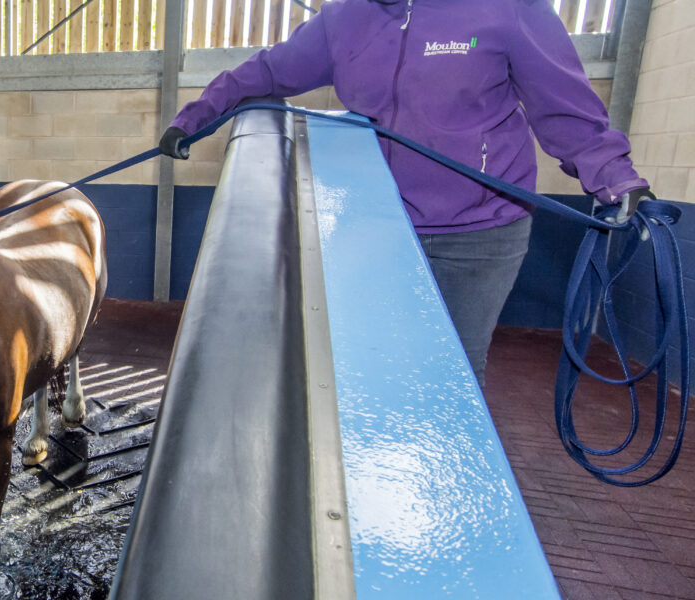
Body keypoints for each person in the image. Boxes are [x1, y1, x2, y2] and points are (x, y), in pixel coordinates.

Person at [159, 0, 654, 387]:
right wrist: (193, 118)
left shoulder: (506, 9)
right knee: (369, 362)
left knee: (453, 372)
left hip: (481, 232)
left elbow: (564, 108)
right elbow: (265, 71)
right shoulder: (344, 20)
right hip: (378, 223)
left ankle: (448, 493)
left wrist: (616, 178)